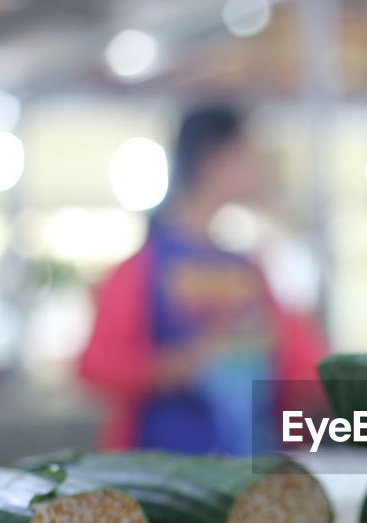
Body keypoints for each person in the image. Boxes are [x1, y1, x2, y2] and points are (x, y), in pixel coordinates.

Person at [79, 104, 326, 454]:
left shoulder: (250, 267)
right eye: (250, 154)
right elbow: (95, 366)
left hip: (247, 469)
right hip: (162, 473)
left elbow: (300, 361)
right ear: (215, 159)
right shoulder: (141, 269)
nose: (260, 168)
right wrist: (181, 365)